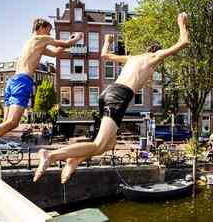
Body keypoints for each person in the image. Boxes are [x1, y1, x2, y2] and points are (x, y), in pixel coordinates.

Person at [33, 12, 189, 183]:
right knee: (99, 145)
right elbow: (183, 42)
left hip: (108, 93)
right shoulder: (153, 57)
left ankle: (75, 159)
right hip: (119, 97)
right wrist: (182, 23)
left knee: (109, 144)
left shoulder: (132, 58)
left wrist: (107, 41)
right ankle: (51, 155)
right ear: (157, 52)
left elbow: (104, 55)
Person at [0, 18, 82, 159]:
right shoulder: (41, 38)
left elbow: (56, 52)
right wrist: (77, 37)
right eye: (49, 30)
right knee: (13, 122)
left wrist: (67, 42)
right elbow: (66, 43)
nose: (49, 33)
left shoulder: (33, 43)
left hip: (13, 81)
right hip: (22, 81)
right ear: (41, 27)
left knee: (6, 123)